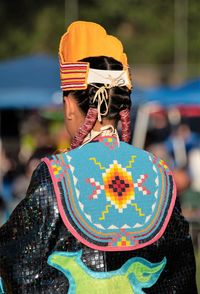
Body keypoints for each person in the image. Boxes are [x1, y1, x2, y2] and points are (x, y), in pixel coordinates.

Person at [0, 21, 197, 294]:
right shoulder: (160, 173)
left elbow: (17, 265)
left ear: (69, 106)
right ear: (120, 107)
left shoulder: (56, 174)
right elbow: (181, 277)